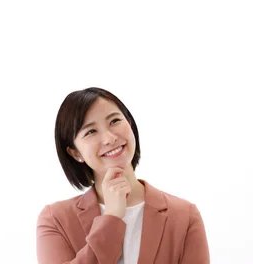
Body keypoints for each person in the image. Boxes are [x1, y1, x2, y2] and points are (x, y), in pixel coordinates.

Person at [36, 87, 210, 264]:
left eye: (114, 121)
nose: (110, 138)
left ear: (130, 124)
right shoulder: (56, 220)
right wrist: (111, 218)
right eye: (91, 131)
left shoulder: (184, 215)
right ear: (75, 153)